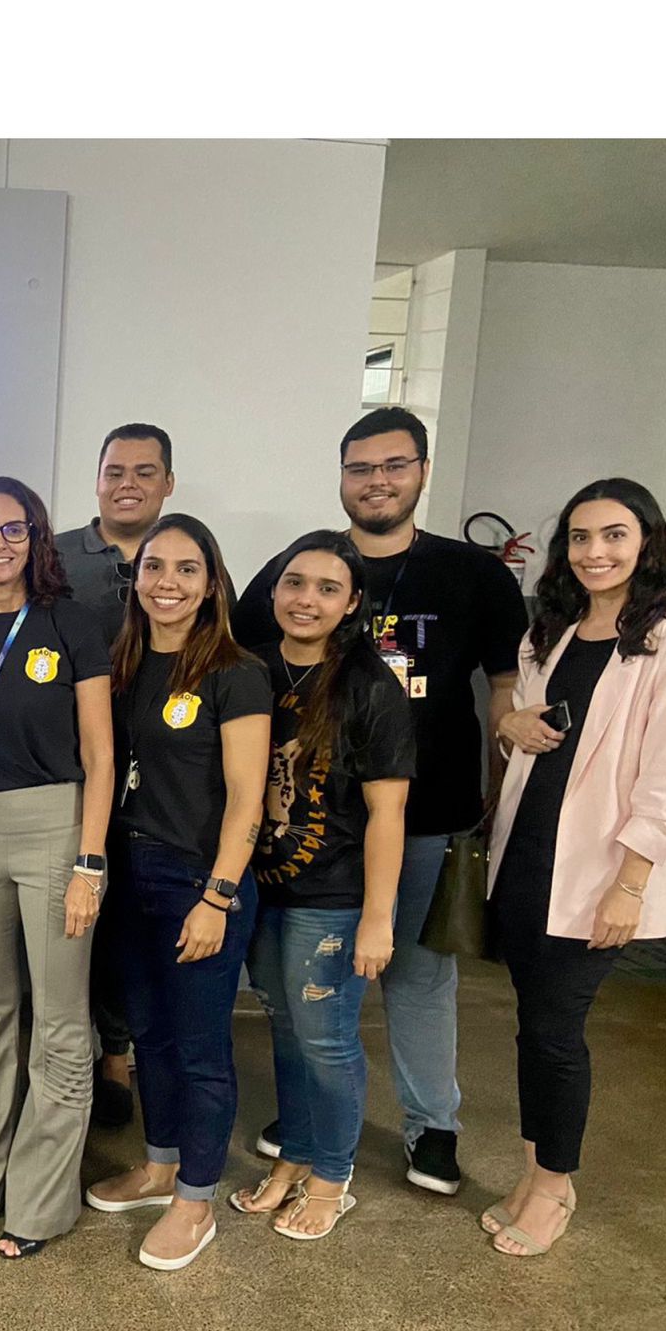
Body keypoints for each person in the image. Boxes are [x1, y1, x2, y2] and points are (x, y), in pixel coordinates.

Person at [232, 406, 525, 1195]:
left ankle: (433, 1127)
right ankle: (308, 1120)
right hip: (312, 829)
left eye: (394, 465)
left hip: (426, 817)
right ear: (342, 477)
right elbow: (240, 661)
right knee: (303, 990)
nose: (377, 481)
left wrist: (502, 785)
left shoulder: (473, 575)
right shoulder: (293, 569)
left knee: (417, 979)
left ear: (422, 471)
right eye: (361, 467)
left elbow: (505, 685)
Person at [483, 480, 666, 1258]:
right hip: (530, 853)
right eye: (580, 536)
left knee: (556, 1031)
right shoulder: (554, 630)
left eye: (613, 535)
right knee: (533, 1025)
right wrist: (510, 723)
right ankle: (535, 1170)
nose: (594, 552)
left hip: (601, 869)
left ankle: (554, 1186)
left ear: (647, 543)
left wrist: (630, 885)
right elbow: (519, 725)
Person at [83, 515, 270, 1271]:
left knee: (199, 1049)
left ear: (212, 582)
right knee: (149, 1036)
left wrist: (218, 896)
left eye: (187, 569)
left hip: (197, 880)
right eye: (154, 567)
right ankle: (160, 1166)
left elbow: (248, 799)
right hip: (130, 876)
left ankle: (196, 1200)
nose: (168, 583)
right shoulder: (124, 663)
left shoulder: (235, 671)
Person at [0, 477, 113, 1258]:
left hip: (55, 831)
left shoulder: (73, 623)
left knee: (62, 1020)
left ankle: (41, 1201)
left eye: (14, 530)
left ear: (37, 539)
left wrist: (89, 863)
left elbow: (102, 755)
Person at [230, 531, 414, 1240]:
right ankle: (296, 1157)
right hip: (264, 888)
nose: (307, 599)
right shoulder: (253, 668)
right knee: (285, 1028)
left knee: (327, 1040)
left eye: (327, 588)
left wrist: (377, 917)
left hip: (333, 899)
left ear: (353, 602)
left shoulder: (370, 685)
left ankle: (333, 1179)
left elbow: (387, 813)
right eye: (295, 583)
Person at [56, 422, 176, 1129]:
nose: (128, 484)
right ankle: (77, 1050)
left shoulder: (188, 556)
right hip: (74, 769)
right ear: (97, 480)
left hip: (163, 773)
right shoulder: (57, 558)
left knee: (136, 914)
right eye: (115, 471)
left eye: (144, 472)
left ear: (168, 483)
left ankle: (120, 1052)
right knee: (79, 914)